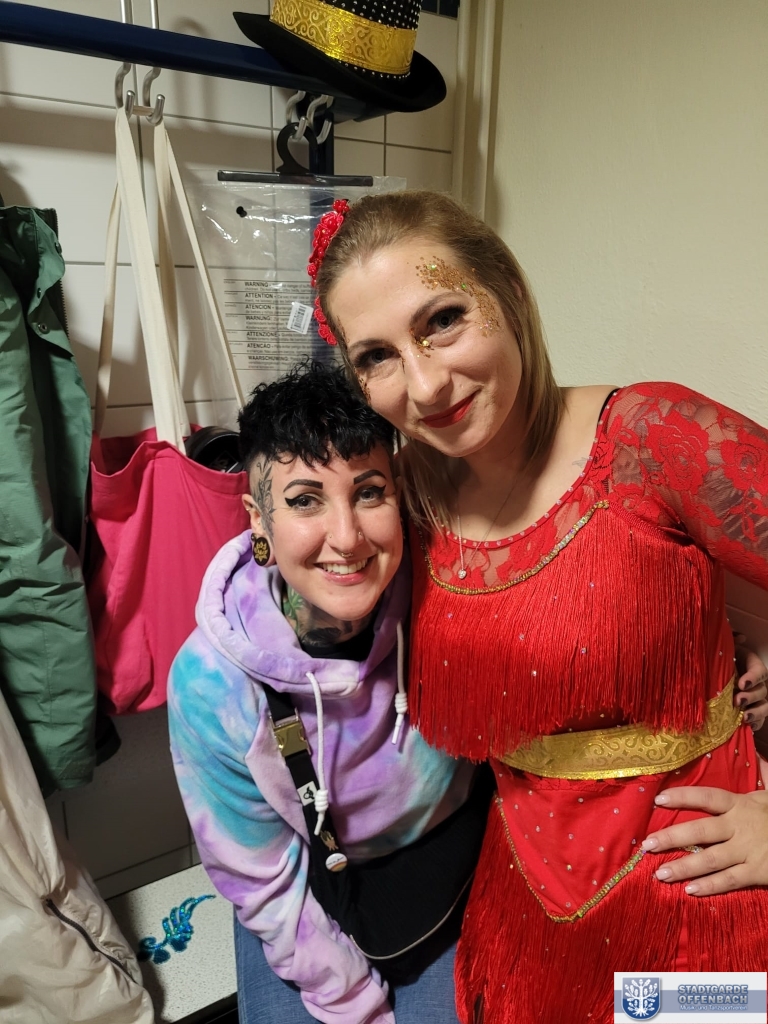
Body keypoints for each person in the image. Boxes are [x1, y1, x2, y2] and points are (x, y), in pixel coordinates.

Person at [309, 190, 768, 1024]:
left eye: (443, 320)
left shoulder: (652, 437)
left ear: (510, 292)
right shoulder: (404, 500)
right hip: (524, 905)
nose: (425, 384)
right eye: (376, 356)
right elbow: (285, 586)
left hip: (693, 902)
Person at [167, 362, 491, 1024]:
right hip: (309, 889)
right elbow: (263, 880)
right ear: (258, 520)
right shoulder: (212, 684)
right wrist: (353, 1003)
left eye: (368, 493)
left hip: (455, 869)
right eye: (304, 500)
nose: (346, 538)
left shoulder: (452, 595)